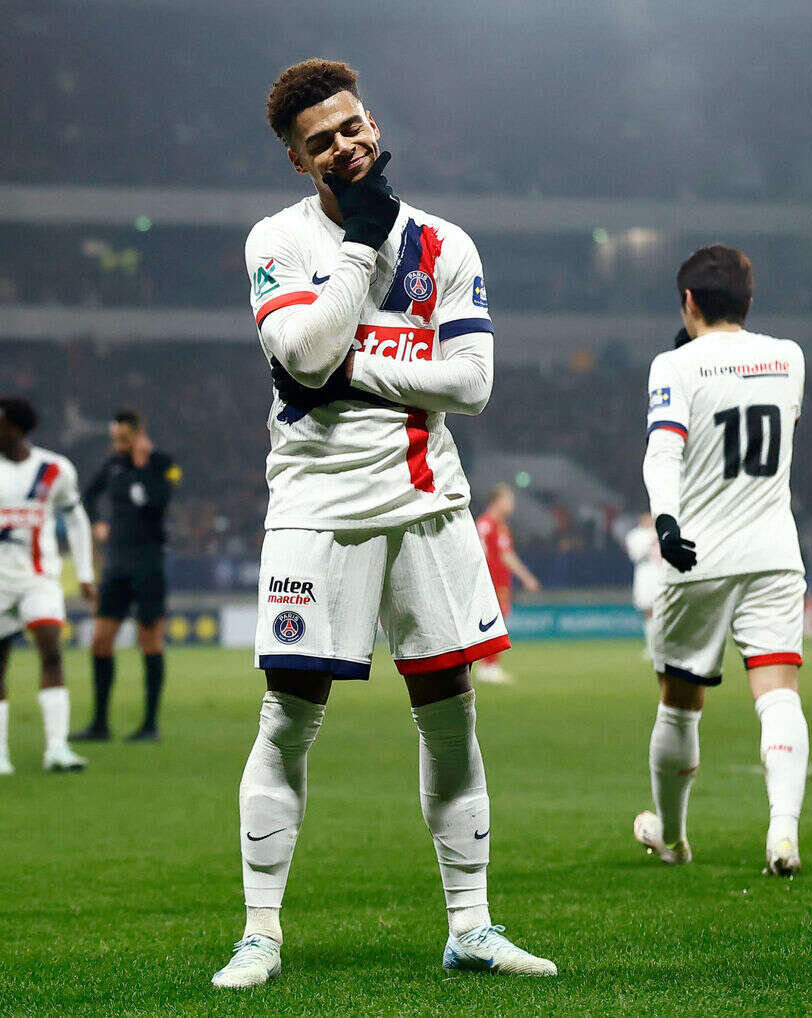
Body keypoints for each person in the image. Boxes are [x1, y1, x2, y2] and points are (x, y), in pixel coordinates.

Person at [212, 59, 556, 989]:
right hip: (316, 512)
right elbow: (300, 347)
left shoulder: (446, 244)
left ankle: (471, 926)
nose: (347, 144)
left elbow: (471, 386)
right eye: (323, 140)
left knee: (451, 720)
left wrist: (352, 373)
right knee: (287, 720)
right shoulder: (276, 241)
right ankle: (260, 933)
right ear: (298, 161)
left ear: (373, 123)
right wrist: (360, 251)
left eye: (354, 126)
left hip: (426, 507)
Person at [634, 245, 810, 876]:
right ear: (749, 300)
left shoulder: (674, 366)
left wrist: (666, 519)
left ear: (688, 302)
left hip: (698, 554)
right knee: (778, 693)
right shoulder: (788, 358)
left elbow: (664, 453)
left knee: (679, 700)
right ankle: (782, 835)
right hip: (774, 552)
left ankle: (674, 838)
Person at [0, 398, 96, 776]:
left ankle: (57, 749)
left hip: (39, 578)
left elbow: (76, 519)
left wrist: (84, 573)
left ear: (15, 430)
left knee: (52, 652)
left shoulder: (54, 469)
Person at [72, 410, 179, 742]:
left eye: (122, 438)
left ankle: (150, 725)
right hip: (116, 564)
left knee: (150, 640)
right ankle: (100, 724)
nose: (116, 444)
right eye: (114, 438)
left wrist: (143, 466)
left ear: (138, 434)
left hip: (147, 562)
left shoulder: (162, 464)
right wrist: (96, 523)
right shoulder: (113, 465)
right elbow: (87, 495)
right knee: (100, 641)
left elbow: (158, 505)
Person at [474, 484, 541, 684]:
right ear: (497, 501)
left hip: (489, 580)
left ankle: (487, 665)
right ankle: (489, 667)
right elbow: (506, 555)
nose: (512, 504)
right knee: (495, 623)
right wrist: (527, 577)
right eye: (508, 499)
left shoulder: (483, 523)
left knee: (491, 622)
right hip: (494, 580)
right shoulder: (495, 525)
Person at [621, 511, 664, 661]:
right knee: (649, 611)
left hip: (663, 574)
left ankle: (668, 647)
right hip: (645, 577)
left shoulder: (664, 530)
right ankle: (652, 647)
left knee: (666, 611)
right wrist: (651, 541)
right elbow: (635, 555)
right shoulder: (634, 535)